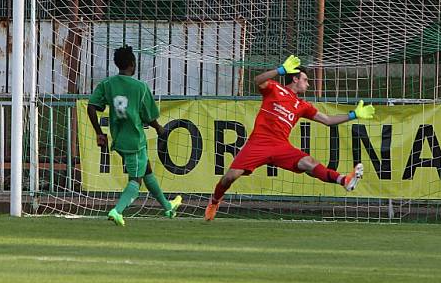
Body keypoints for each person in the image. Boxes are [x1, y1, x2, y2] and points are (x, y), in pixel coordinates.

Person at [204, 55, 376, 222]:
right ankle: (214, 201)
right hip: (258, 143)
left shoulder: (302, 105)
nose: (308, 84)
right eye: (305, 80)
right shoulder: (274, 88)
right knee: (230, 177)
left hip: (280, 147)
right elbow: (257, 80)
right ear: (295, 79)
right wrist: (280, 70)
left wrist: (353, 114)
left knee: (308, 163)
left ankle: (344, 180)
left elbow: (328, 121)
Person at [87, 45, 182, 227]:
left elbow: (91, 106)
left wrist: (99, 132)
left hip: (119, 139)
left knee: (146, 170)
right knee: (135, 181)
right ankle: (117, 211)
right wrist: (159, 128)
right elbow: (149, 116)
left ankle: (168, 207)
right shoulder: (140, 87)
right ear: (132, 63)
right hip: (135, 140)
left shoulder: (107, 84)